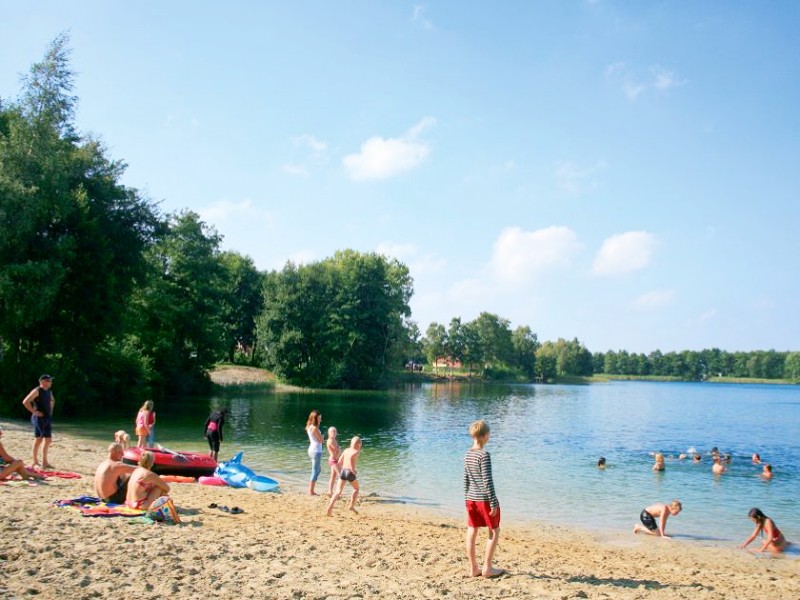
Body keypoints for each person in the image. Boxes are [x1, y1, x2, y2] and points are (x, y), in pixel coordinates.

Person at [463, 420, 504, 579]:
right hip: (485, 500)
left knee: (472, 531)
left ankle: (473, 568)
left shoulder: (468, 454)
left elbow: (466, 479)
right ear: (486, 435)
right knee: (494, 531)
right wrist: (493, 502)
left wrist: (466, 499)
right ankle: (487, 568)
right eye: (489, 433)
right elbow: (487, 481)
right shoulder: (484, 455)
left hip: (471, 499)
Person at [21, 374, 56, 468]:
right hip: (39, 418)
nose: (50, 382)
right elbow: (25, 401)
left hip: (47, 418)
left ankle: (45, 462)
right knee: (38, 439)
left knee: (48, 440)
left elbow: (52, 400)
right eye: (49, 381)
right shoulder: (37, 391)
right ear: (42, 382)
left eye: (51, 381)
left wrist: (50, 411)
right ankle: (35, 461)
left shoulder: (49, 391)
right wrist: (34, 412)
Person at [326, 436, 362, 516]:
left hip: (343, 472)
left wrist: (344, 468)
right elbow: (351, 465)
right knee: (356, 489)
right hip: (349, 473)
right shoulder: (355, 452)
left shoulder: (346, 450)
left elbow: (339, 461)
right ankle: (351, 506)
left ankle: (329, 508)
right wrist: (354, 471)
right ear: (359, 445)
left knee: (338, 491)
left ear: (351, 443)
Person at [305, 410, 323, 495]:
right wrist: (322, 436)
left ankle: (311, 488)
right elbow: (321, 440)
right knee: (315, 471)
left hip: (312, 449)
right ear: (315, 419)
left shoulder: (309, 426)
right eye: (319, 418)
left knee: (318, 470)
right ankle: (311, 491)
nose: (320, 420)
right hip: (316, 451)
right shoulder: (315, 428)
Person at [326, 426, 341, 495]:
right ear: (329, 433)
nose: (334, 433)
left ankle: (330, 491)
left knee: (333, 476)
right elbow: (336, 451)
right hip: (333, 460)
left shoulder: (334, 440)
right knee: (340, 476)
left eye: (335, 431)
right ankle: (338, 491)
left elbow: (338, 451)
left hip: (335, 460)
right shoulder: (330, 440)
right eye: (332, 431)